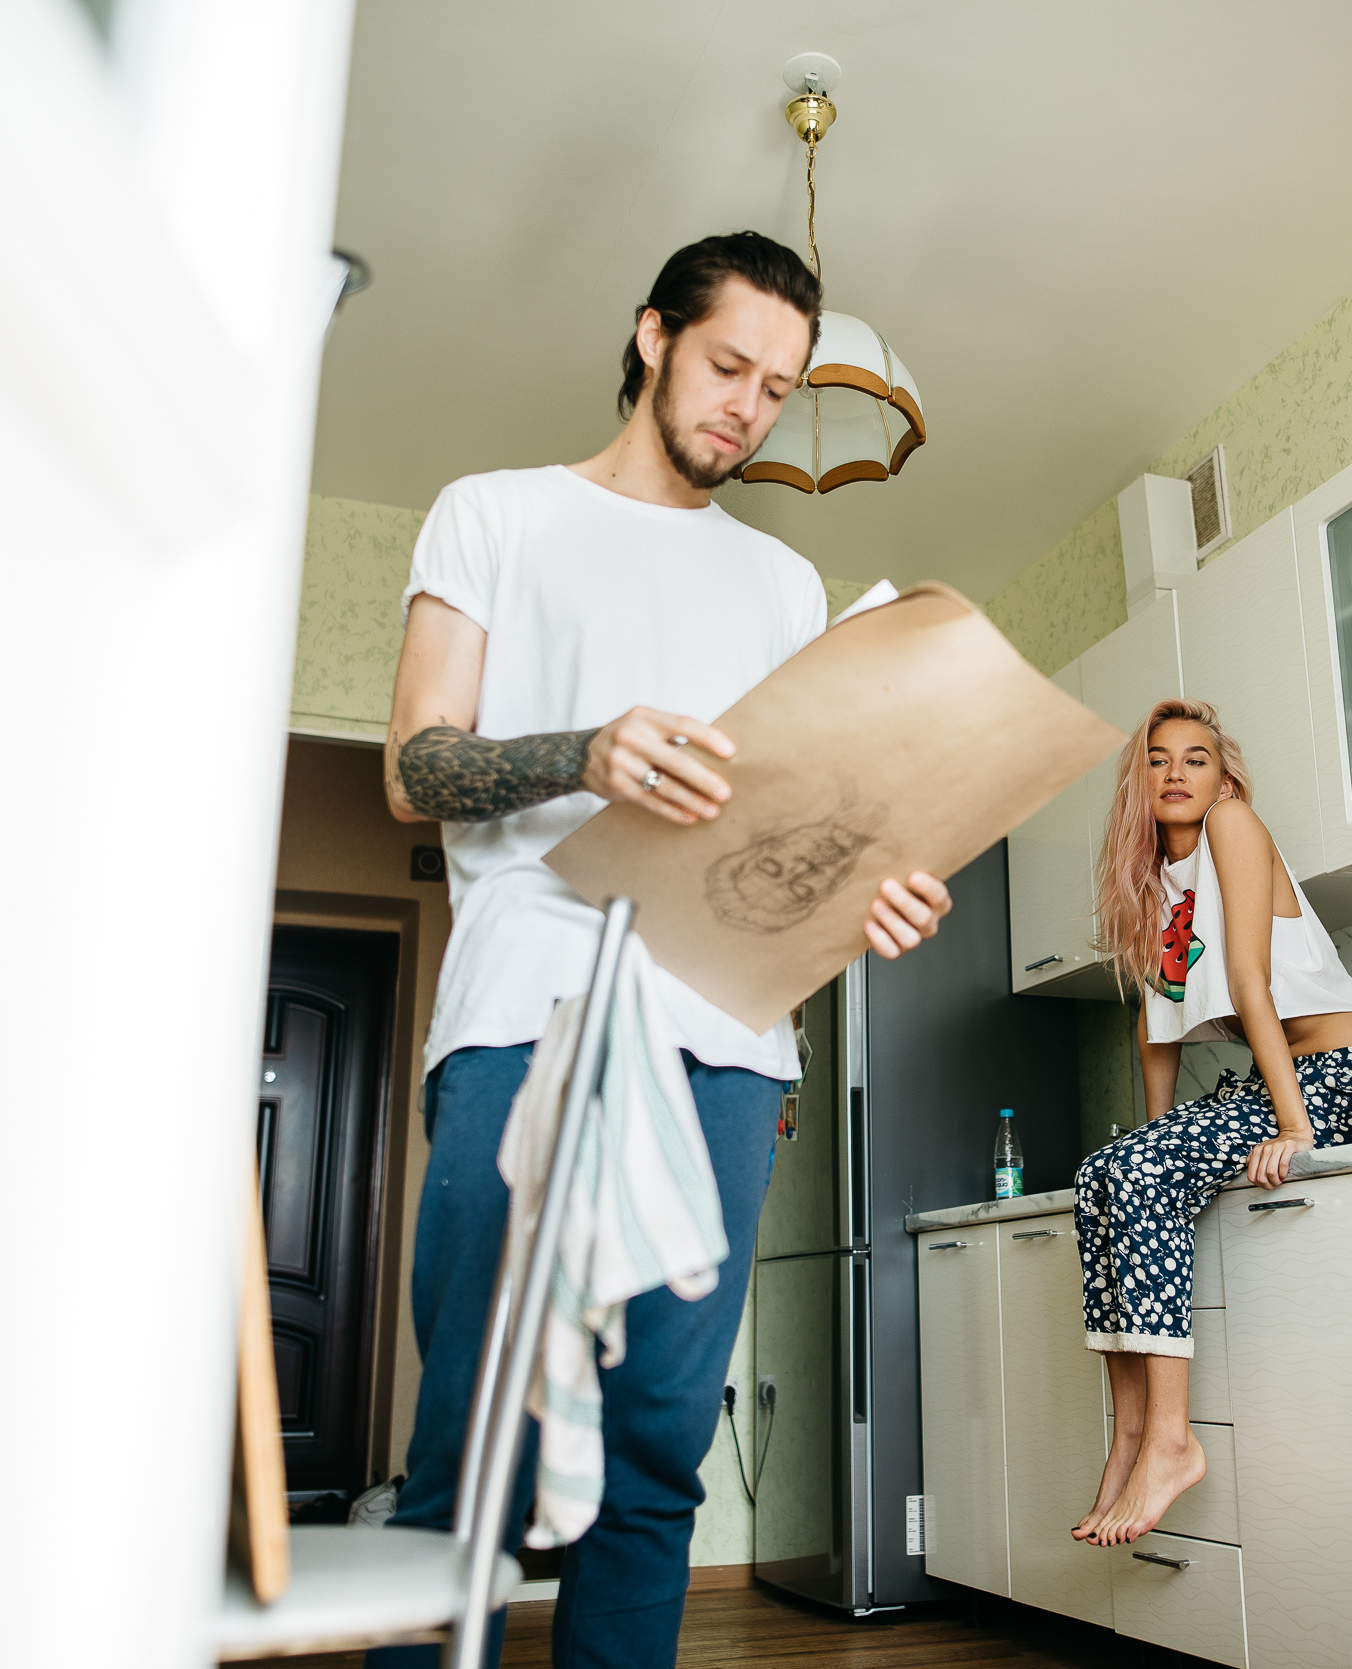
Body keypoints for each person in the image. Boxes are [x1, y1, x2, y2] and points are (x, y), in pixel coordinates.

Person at [368, 231, 952, 1669]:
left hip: (728, 1038)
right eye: (728, 366)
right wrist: (585, 750)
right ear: (652, 337)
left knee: (657, 1455)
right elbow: (412, 768)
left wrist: (869, 895)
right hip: (530, 1007)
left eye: (778, 387)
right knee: (476, 1445)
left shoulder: (785, 582)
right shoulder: (494, 513)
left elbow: (792, 831)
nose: (750, 408)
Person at [1069, 698, 1352, 1546]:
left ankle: (1172, 1441)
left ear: (1224, 780)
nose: (1176, 772)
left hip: (1339, 1078)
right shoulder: (1154, 880)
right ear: (1139, 782)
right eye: (1158, 758)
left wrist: (1297, 1127)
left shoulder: (1233, 828)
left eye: (1196, 758)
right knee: (1104, 1174)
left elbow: (1250, 980)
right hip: (1279, 1078)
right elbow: (1155, 1028)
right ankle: (1132, 1432)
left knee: (1136, 1171)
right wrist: (1149, 1148)